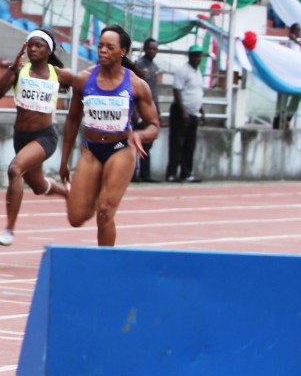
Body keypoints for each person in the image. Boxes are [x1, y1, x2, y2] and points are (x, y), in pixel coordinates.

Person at [59, 25, 160, 246]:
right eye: (100, 46)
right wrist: (64, 160)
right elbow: (73, 120)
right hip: (91, 151)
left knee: (104, 212)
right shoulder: (84, 80)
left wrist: (139, 136)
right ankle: (86, 192)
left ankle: (105, 262)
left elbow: (154, 126)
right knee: (76, 218)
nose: (102, 51)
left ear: (122, 51)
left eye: (109, 47)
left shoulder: (136, 85)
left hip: (121, 150)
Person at [0, 30, 76, 246]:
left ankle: (9, 230)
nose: (33, 49)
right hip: (21, 138)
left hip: (45, 137)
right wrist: (13, 68)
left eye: (39, 46)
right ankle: (65, 192)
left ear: (49, 50)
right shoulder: (20, 71)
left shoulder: (59, 74)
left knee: (15, 169)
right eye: (31, 45)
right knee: (38, 187)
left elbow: (86, 82)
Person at [166, 44, 206, 183]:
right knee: (177, 144)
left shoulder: (198, 72)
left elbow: (197, 92)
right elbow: (177, 90)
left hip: (193, 113)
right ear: (189, 56)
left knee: (189, 145)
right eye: (194, 55)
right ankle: (171, 173)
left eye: (199, 55)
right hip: (181, 112)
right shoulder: (183, 71)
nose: (197, 58)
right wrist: (183, 111)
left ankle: (186, 173)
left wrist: (202, 112)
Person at [131, 37, 161, 182]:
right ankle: (133, 174)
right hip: (140, 110)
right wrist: (135, 112)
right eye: (149, 48)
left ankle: (145, 174)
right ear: (144, 48)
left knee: (147, 144)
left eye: (154, 48)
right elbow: (134, 88)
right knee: (135, 142)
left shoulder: (155, 67)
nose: (152, 51)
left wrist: (158, 113)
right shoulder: (138, 65)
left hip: (151, 110)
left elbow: (155, 93)